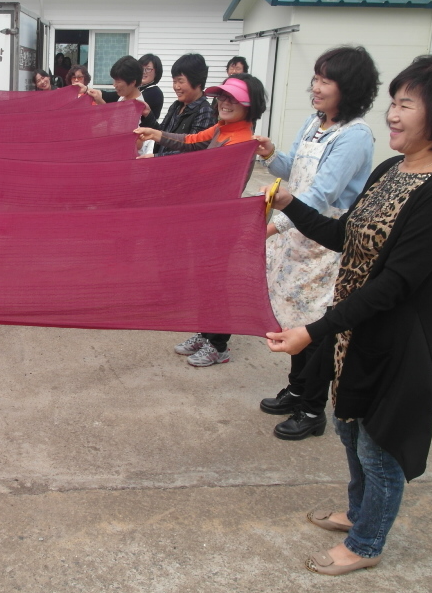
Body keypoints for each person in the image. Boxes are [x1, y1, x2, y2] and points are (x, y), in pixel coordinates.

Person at [265, 54, 432, 575]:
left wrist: (313, 330)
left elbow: (395, 285)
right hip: (353, 329)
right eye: (393, 102)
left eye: (406, 104)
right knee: (348, 428)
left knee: (378, 448)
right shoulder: (392, 168)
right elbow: (346, 236)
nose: (392, 113)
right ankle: (357, 513)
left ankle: (367, 544)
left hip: (391, 338)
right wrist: (292, 203)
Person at [254, 46, 379, 441]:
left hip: (323, 245)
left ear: (350, 88)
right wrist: (272, 154)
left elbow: (320, 196)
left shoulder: (354, 136)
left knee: (317, 328)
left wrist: (269, 229)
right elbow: (295, 169)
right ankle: (296, 389)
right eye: (316, 78)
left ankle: (312, 409)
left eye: (327, 81)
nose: (317, 87)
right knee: (292, 321)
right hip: (296, 239)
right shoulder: (314, 122)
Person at [141, 74, 267, 366]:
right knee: (204, 279)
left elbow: (207, 173)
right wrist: (156, 134)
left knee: (216, 283)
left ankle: (219, 344)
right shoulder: (223, 128)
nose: (224, 103)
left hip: (221, 223)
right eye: (221, 97)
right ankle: (205, 332)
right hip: (205, 218)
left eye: (232, 98)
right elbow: (191, 141)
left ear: (251, 105)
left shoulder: (242, 140)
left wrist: (164, 168)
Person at [132, 53, 217, 155]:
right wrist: (148, 115)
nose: (176, 87)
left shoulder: (205, 111)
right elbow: (162, 133)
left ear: (197, 81)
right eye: (174, 81)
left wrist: (157, 157)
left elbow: (193, 150)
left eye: (180, 81)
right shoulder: (176, 106)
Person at [84, 55, 160, 129]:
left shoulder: (137, 106)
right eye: (114, 80)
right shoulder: (123, 97)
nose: (114, 85)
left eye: (118, 81)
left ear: (132, 82)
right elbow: (113, 120)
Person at [138, 53, 165, 121]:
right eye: (141, 68)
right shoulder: (139, 89)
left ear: (156, 72)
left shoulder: (154, 92)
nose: (143, 72)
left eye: (148, 69)